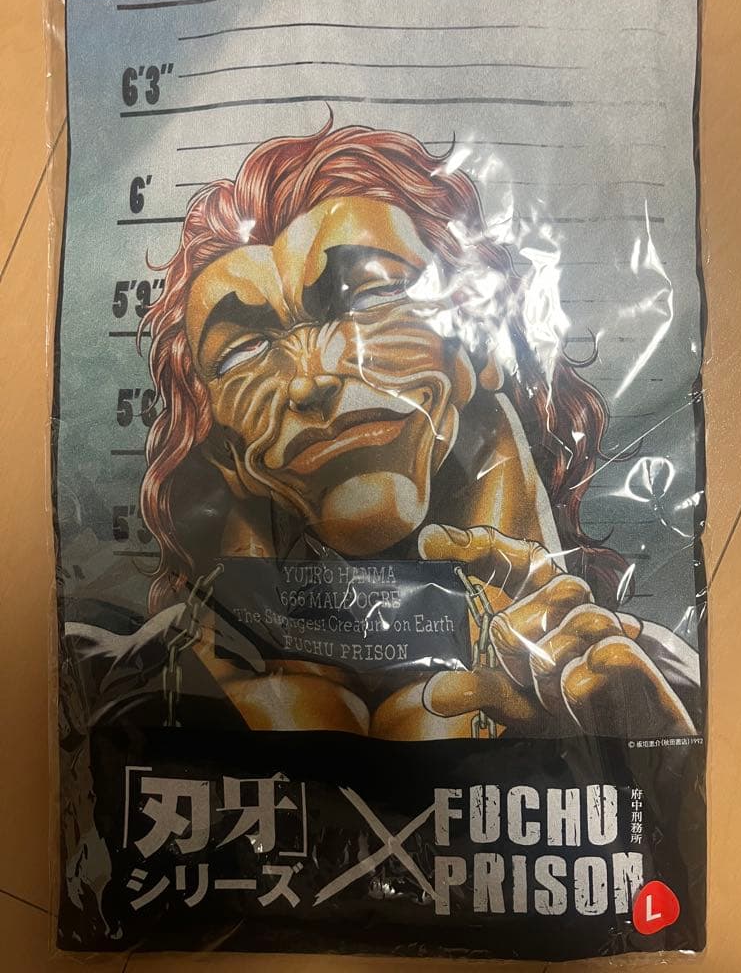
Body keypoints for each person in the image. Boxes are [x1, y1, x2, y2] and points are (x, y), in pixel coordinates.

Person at [70, 121, 700, 740]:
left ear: (482, 340)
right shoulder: (108, 685)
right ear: (223, 449)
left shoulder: (659, 686)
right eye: (241, 353)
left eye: (370, 297)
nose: (307, 381)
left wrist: (644, 746)